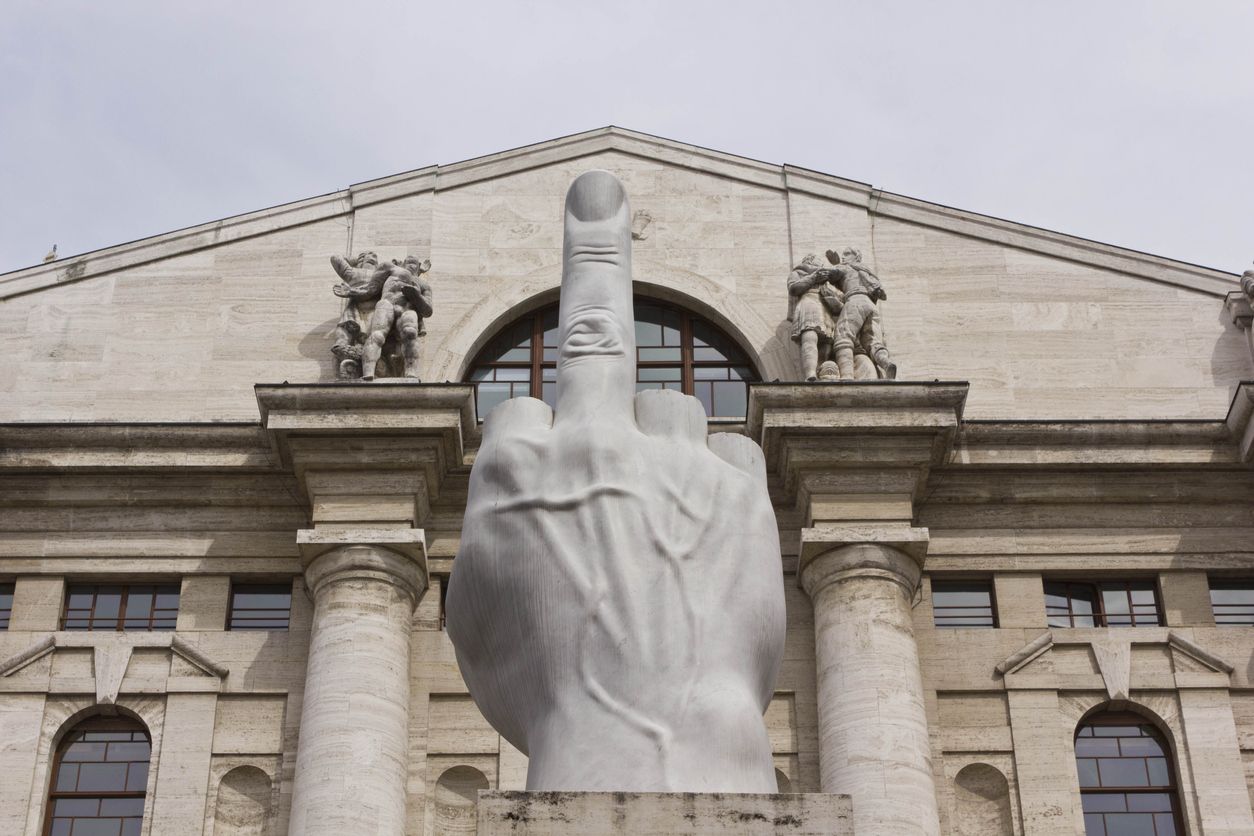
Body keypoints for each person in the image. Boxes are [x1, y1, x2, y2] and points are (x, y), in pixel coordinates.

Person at [333, 255, 433, 380]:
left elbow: (428, 311)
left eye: (415, 263)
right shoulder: (390, 268)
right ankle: (368, 372)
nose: (412, 264)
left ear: (421, 267)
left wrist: (416, 296)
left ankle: (411, 373)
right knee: (377, 335)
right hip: (387, 304)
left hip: (408, 309)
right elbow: (371, 289)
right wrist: (351, 292)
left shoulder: (423, 285)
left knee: (411, 333)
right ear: (401, 263)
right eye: (409, 261)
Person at [823, 247, 896, 380]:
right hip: (870, 305)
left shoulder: (846, 267)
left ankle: (847, 377)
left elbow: (828, 274)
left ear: (856, 257)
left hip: (855, 301)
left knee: (843, 337)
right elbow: (881, 294)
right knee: (871, 341)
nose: (843, 257)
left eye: (847, 254)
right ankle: (886, 363)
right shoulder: (866, 272)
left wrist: (836, 263)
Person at [787, 254, 841, 381]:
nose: (821, 264)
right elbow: (794, 288)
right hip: (808, 303)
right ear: (810, 261)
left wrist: (832, 296)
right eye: (818, 261)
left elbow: (839, 296)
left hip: (824, 307)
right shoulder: (799, 272)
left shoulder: (826, 278)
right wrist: (814, 277)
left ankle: (822, 373)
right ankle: (810, 374)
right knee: (810, 336)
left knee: (827, 344)